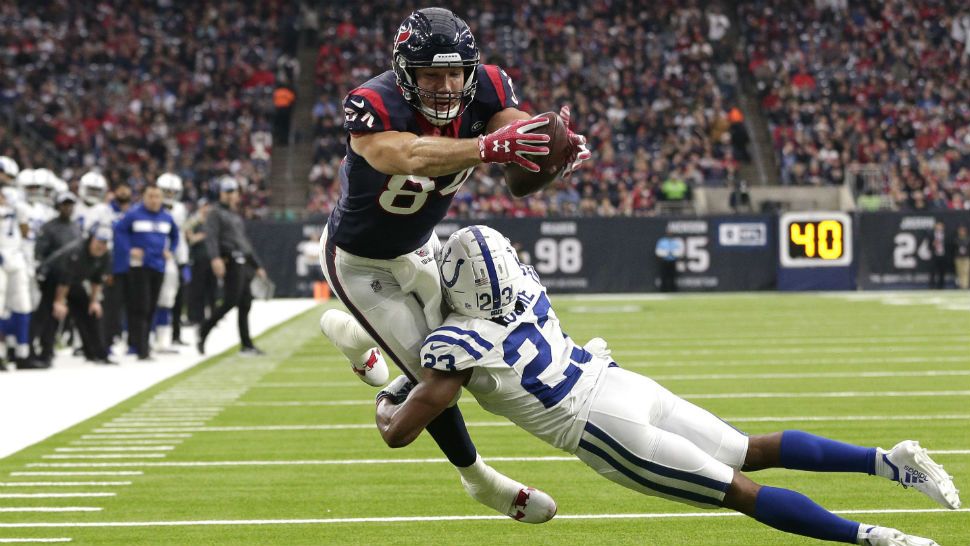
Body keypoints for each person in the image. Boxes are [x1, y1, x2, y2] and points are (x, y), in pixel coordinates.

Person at [375, 225, 960, 546]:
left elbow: (403, 433)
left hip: (602, 428)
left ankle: (877, 539)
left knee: (740, 492)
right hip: (624, 385)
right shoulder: (527, 289)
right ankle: (888, 462)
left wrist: (384, 395)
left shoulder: (455, 343)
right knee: (750, 450)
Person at [317, 7, 589, 523]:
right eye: (431, 74)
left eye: (453, 72)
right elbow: (412, 156)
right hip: (359, 261)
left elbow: (518, 157)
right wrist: (487, 147)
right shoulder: (372, 102)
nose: (445, 86)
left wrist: (547, 153)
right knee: (437, 373)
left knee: (450, 353)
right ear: (405, 73)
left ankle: (356, 339)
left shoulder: (486, 86)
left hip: (422, 245)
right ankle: (479, 479)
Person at [197, 176, 267, 356]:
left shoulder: (234, 215)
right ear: (220, 193)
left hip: (243, 262)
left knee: (245, 303)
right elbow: (211, 237)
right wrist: (215, 258)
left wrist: (257, 264)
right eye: (227, 192)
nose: (230, 195)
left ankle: (246, 345)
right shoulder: (215, 212)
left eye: (233, 192)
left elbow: (244, 244)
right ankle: (204, 329)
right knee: (231, 301)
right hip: (230, 260)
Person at [113, 185, 178, 361]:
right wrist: (129, 249)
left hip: (158, 266)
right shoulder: (134, 214)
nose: (154, 200)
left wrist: (170, 250)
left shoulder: (166, 217)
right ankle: (141, 348)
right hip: (139, 266)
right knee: (140, 306)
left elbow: (175, 235)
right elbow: (119, 230)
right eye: (150, 196)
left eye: (157, 196)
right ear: (143, 197)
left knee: (151, 307)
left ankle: (138, 343)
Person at [34, 225, 114, 365]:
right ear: (91, 239)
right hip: (52, 278)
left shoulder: (105, 254)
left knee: (90, 311)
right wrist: (59, 302)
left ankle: (97, 353)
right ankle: (45, 354)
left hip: (73, 282)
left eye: (105, 243)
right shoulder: (76, 252)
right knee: (53, 313)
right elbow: (64, 279)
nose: (101, 246)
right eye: (99, 242)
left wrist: (94, 301)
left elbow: (97, 279)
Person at [153, 173, 189, 353]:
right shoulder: (150, 207)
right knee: (152, 299)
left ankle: (169, 337)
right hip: (153, 259)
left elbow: (180, 237)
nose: (169, 195)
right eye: (166, 191)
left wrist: (184, 261)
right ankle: (148, 337)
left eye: (172, 192)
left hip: (172, 261)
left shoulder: (180, 209)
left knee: (172, 299)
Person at [100, 182, 133, 352]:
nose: (123, 191)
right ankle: (107, 343)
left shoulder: (135, 212)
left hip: (134, 266)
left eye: (126, 189)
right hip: (114, 265)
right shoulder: (106, 211)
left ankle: (133, 342)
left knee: (133, 306)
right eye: (120, 188)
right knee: (111, 307)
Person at [35, 192, 80, 264]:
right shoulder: (48, 227)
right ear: (58, 206)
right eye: (65, 205)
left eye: (70, 205)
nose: (68, 208)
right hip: (52, 268)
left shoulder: (76, 227)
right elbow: (39, 253)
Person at [929, 221, 947, 289]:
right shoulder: (931, 234)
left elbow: (949, 244)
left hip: (943, 255)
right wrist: (932, 244)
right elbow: (928, 245)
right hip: (934, 255)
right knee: (932, 271)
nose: (939, 227)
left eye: (940, 226)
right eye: (938, 225)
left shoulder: (946, 234)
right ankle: (931, 286)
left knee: (942, 271)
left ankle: (941, 286)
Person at [955, 225, 970, 290]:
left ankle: (965, 286)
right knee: (959, 272)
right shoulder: (956, 239)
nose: (962, 232)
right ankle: (961, 285)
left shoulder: (968, 239)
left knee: (966, 271)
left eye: (963, 231)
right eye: (960, 231)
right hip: (958, 257)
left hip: (966, 257)